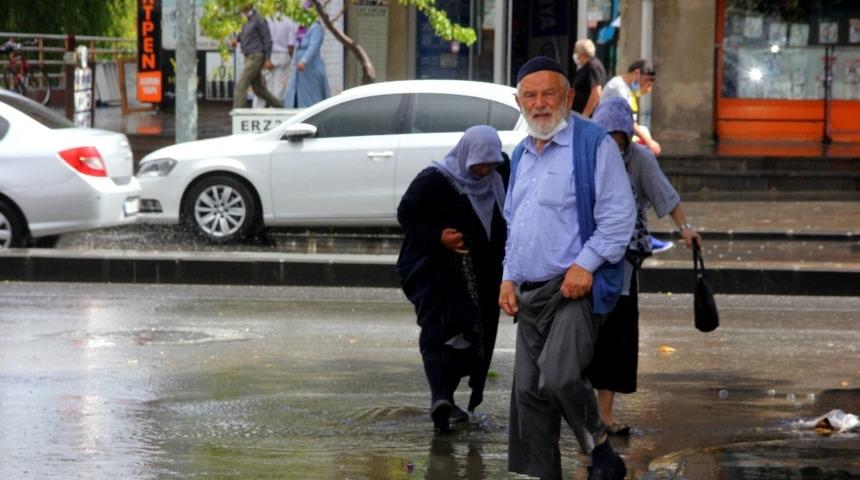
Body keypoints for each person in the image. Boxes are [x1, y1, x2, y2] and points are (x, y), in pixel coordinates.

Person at [501, 56, 634, 480]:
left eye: (549, 94)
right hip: (530, 290)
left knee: (557, 377)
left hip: (575, 285)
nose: (540, 104)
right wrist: (507, 275)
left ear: (570, 96)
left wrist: (585, 265)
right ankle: (545, 474)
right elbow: (514, 223)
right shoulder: (520, 153)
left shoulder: (593, 143)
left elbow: (618, 218)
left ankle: (597, 443)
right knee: (526, 391)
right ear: (519, 102)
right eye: (530, 96)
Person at [589, 96, 702, 436]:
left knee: (612, 338)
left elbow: (666, 195)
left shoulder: (638, 160)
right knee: (579, 337)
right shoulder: (586, 157)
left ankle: (604, 414)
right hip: (582, 258)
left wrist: (685, 229)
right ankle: (577, 409)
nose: (612, 142)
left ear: (626, 134)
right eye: (605, 135)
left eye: (618, 136)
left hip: (621, 264)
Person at [396, 126, 508, 434]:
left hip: (483, 276)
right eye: (478, 164)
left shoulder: (500, 176)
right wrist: (438, 237)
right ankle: (440, 398)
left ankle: (449, 399)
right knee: (439, 330)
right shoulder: (434, 179)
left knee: (474, 336)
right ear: (465, 156)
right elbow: (406, 215)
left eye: (490, 163)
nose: (484, 170)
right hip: (436, 273)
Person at [601, 59, 662, 155]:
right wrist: (649, 142)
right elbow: (627, 121)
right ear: (637, 73)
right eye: (645, 80)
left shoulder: (627, 89)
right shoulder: (618, 88)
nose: (645, 86)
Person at [231, 2, 284, 109]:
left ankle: (238, 112)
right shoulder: (244, 21)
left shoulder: (258, 19)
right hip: (248, 56)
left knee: (241, 84)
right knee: (258, 89)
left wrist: (268, 58)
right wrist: (236, 40)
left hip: (256, 56)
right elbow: (243, 37)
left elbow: (267, 39)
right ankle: (280, 107)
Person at [283, 19, 330, 108]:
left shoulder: (316, 27)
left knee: (312, 96)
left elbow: (314, 46)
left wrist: (304, 60)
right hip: (299, 68)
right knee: (296, 93)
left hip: (311, 66)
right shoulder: (301, 28)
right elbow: (296, 47)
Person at [252, 15, 296, 108]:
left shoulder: (265, 19)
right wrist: (291, 58)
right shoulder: (288, 21)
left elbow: (261, 40)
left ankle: (257, 110)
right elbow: (291, 45)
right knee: (279, 88)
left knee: (262, 86)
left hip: (267, 55)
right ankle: (275, 112)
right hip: (283, 55)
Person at [571, 39, 607, 117]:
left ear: (583, 54)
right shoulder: (586, 67)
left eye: (576, 52)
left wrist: (585, 115)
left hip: (589, 117)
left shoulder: (593, 66)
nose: (575, 55)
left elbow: (596, 93)